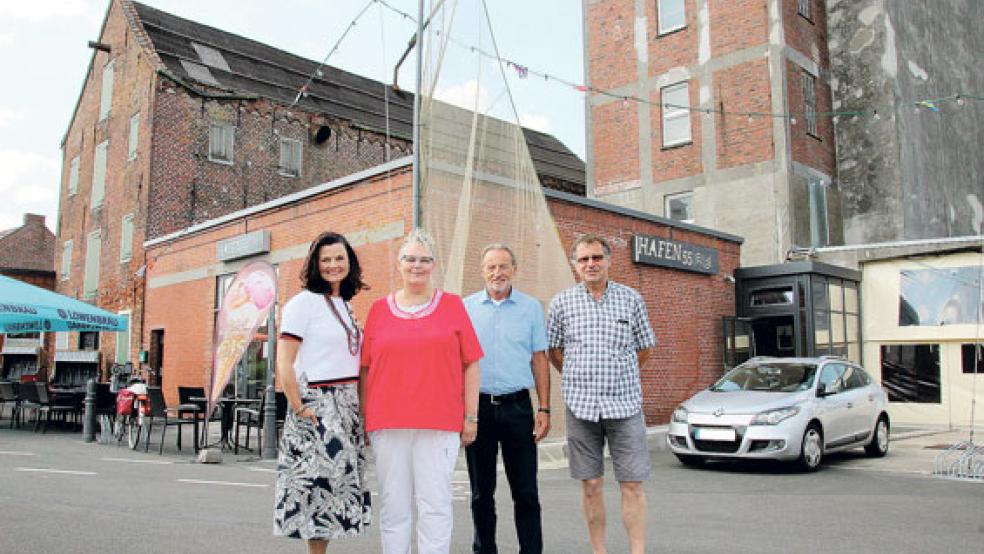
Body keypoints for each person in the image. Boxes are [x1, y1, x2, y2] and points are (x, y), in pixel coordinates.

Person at [359, 229, 483, 554]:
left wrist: (471, 416)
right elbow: (366, 369)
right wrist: (364, 417)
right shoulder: (378, 310)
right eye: (410, 259)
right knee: (394, 504)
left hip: (440, 422)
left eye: (424, 260)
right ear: (398, 264)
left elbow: (471, 363)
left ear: (433, 264)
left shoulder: (453, 306)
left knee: (435, 504)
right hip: (387, 422)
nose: (417, 266)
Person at [546, 234, 656, 554]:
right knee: (591, 486)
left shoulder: (631, 299)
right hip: (581, 408)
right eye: (583, 259)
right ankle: (600, 551)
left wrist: (621, 372)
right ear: (575, 265)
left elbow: (645, 347)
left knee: (633, 485)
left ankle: (638, 551)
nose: (590, 264)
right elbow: (554, 350)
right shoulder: (562, 303)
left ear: (608, 260)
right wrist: (578, 376)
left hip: (625, 405)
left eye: (596, 258)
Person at [273, 231, 371, 554]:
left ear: (349, 262)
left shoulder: (344, 304)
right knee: (316, 494)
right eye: (325, 259)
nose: (332, 265)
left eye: (339, 258)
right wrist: (299, 407)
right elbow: (284, 361)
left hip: (345, 404)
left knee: (333, 497)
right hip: (317, 403)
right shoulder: (303, 303)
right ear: (315, 264)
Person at [463, 244, 551, 554]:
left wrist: (544, 407)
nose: (497, 273)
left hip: (518, 409)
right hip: (478, 410)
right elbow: (457, 361)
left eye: (503, 266)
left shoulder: (531, 308)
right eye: (491, 267)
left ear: (514, 269)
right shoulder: (466, 308)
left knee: (526, 492)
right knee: (480, 493)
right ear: (482, 270)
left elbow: (540, 359)